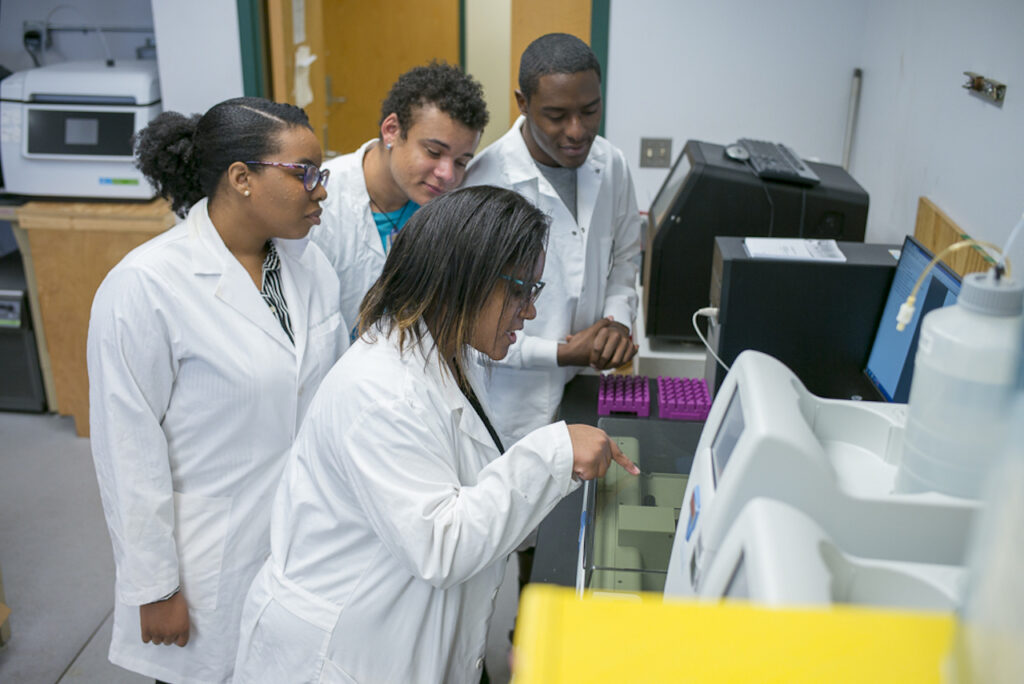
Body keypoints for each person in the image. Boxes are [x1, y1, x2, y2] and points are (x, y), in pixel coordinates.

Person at [233, 186, 638, 684]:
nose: (529, 312)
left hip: (405, 632)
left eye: (534, 291)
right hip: (343, 653)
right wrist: (554, 452)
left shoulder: (453, 354)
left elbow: (467, 484)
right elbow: (441, 546)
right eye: (518, 290)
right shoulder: (381, 390)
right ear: (460, 279)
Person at [87, 97, 346, 684]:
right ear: (242, 179)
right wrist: (154, 587)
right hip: (208, 567)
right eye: (304, 173)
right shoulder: (145, 286)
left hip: (304, 548)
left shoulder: (311, 269)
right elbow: (127, 452)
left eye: (321, 174)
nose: (320, 190)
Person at [464, 33, 643, 448]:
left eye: (590, 110)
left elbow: (624, 257)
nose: (577, 131)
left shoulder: (610, 163)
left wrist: (616, 322)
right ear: (522, 104)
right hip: (510, 402)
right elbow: (469, 325)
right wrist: (563, 353)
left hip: (586, 388)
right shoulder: (486, 180)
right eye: (557, 115)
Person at [311, 61, 489, 331]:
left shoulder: (446, 207)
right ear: (391, 130)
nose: (448, 174)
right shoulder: (321, 202)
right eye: (433, 151)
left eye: (461, 162)